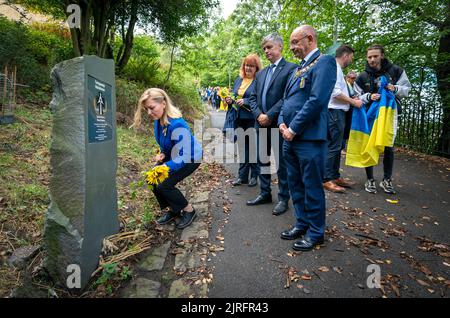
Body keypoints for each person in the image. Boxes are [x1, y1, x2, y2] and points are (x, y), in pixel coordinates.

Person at [278, 25, 337, 251]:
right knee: (295, 183)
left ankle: (315, 232)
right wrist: (283, 121)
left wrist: (293, 128)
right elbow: (287, 100)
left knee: (311, 185)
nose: (292, 48)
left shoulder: (325, 62)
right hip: (289, 137)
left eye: (295, 42)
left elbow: (317, 100)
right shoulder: (298, 69)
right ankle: (301, 224)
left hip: (309, 138)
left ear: (309, 39)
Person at [132, 88, 203, 229]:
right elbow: (166, 143)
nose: (149, 113)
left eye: (152, 108)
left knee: (164, 184)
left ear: (163, 103)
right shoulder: (159, 120)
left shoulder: (177, 124)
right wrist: (163, 154)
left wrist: (166, 166)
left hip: (190, 158)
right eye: (147, 109)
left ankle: (189, 210)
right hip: (176, 155)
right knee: (151, 178)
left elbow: (185, 155)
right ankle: (174, 209)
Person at [247, 33, 297, 216]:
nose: (266, 51)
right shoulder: (261, 74)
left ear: (280, 47)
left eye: (269, 47)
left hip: (279, 124)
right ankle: (265, 193)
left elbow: (288, 97)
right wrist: (259, 114)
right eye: (264, 48)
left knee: (282, 164)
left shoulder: (291, 69)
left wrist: (270, 115)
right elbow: (252, 97)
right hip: (260, 124)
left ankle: (284, 198)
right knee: (263, 160)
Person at [354, 44, 411, 194]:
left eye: (375, 56)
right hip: (370, 115)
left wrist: (395, 88)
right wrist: (369, 97)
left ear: (382, 55)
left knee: (388, 147)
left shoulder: (396, 71)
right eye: (369, 57)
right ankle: (370, 179)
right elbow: (355, 96)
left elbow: (407, 89)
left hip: (390, 115)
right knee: (369, 145)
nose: (372, 60)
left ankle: (387, 180)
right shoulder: (362, 76)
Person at [323, 45, 362, 194]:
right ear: (345, 55)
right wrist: (354, 102)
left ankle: (335, 176)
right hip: (335, 113)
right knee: (333, 146)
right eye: (351, 57)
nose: (351, 60)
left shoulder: (338, 70)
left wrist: (351, 97)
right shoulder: (336, 69)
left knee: (338, 146)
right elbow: (335, 93)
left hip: (339, 112)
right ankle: (326, 179)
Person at [224, 54, 262, 187]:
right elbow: (234, 96)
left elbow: (260, 99)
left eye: (251, 66)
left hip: (251, 118)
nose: (248, 68)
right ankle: (242, 176)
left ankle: (254, 176)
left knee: (252, 148)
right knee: (242, 148)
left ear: (256, 68)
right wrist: (229, 100)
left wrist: (245, 101)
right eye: (246, 65)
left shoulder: (259, 81)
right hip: (238, 118)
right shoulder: (238, 80)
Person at [342, 70, 358, 153]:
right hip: (346, 109)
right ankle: (342, 147)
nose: (353, 80)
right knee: (345, 128)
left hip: (352, 109)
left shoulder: (355, 85)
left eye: (355, 78)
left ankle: (347, 147)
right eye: (352, 78)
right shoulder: (344, 85)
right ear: (347, 78)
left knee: (350, 128)